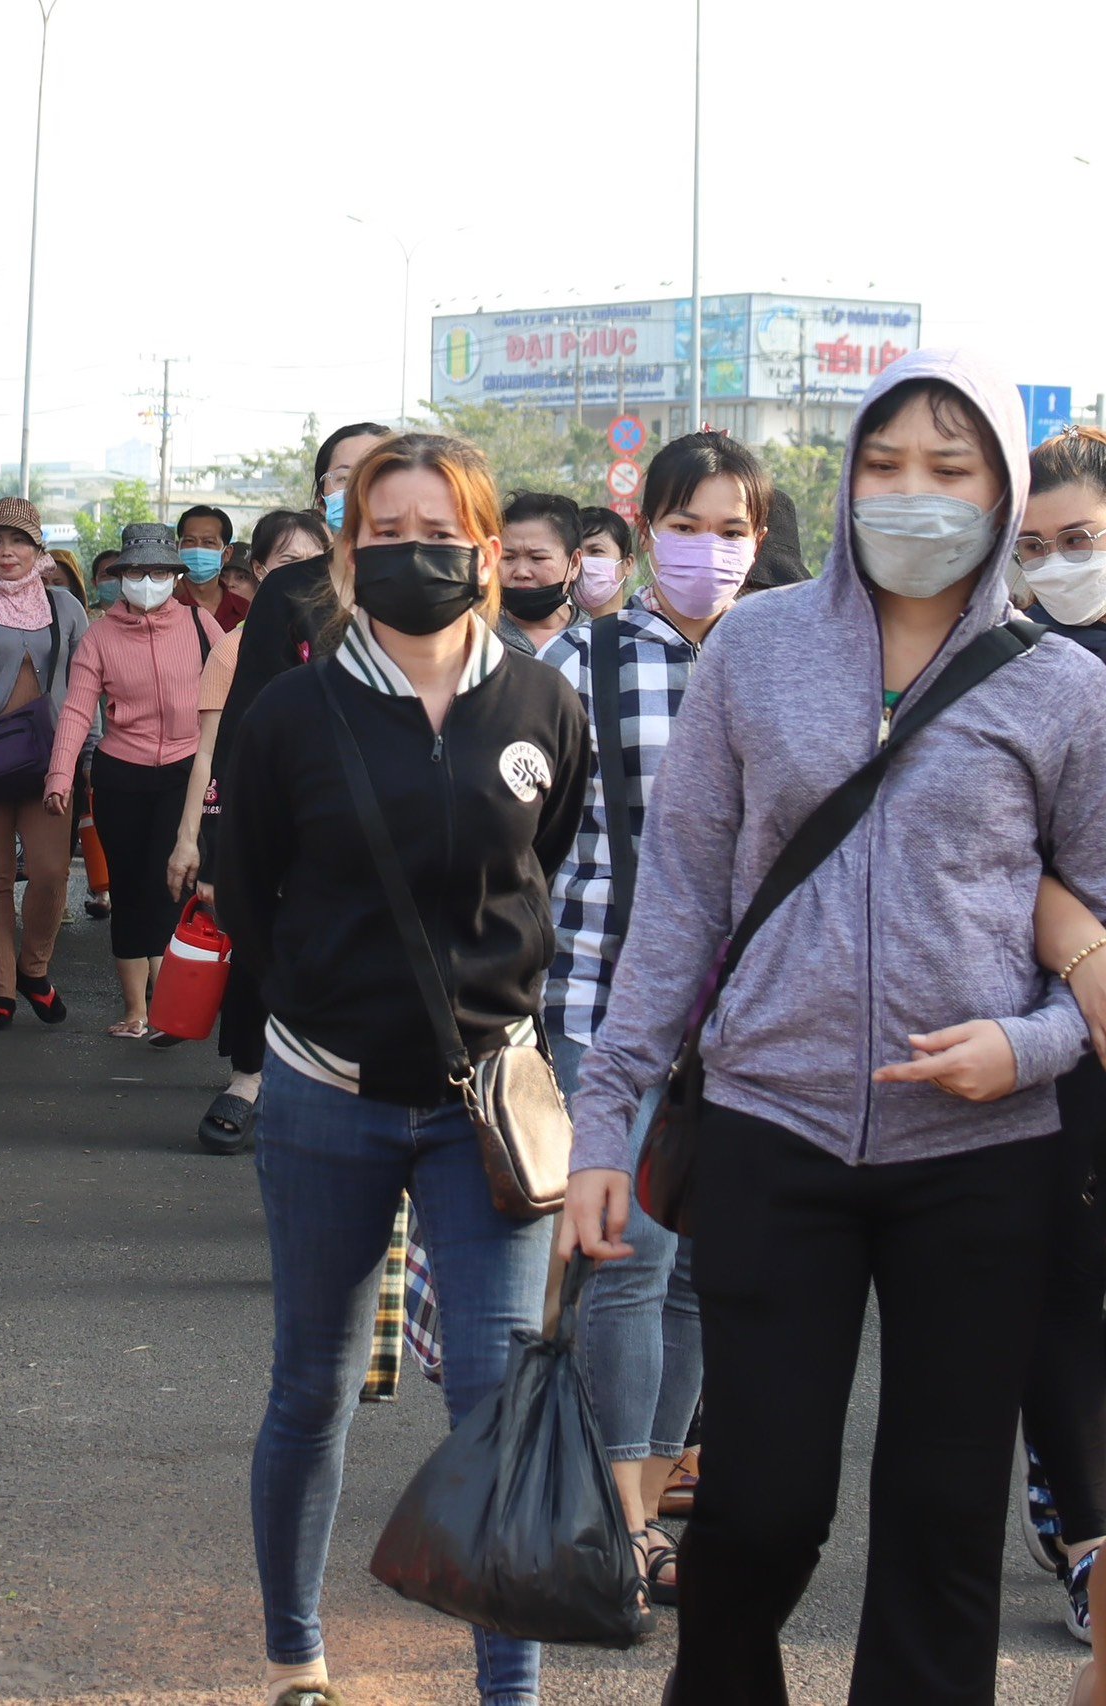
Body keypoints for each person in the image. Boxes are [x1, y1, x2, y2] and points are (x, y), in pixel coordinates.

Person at [562, 352, 1106, 1705]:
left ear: (1001, 491)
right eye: (885, 464)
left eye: (950, 467)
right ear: (845, 477)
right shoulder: (758, 646)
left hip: (982, 1148)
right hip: (770, 1126)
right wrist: (602, 1122)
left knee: (941, 1515)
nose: (912, 494)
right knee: (762, 1502)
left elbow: (1094, 920)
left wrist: (1025, 1049)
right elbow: (682, 889)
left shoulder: (1063, 690)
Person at [220, 433, 588, 1706]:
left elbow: (549, 869)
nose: (409, 550)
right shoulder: (291, 710)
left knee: (494, 1405)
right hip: (325, 1097)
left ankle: (509, 1688)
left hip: (488, 1111)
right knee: (312, 1387)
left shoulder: (544, 704)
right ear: (347, 550)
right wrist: (315, 1016)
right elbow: (246, 888)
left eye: (437, 528)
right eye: (381, 531)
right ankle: (294, 1652)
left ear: (486, 552)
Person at [545, 431, 770, 1608]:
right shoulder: (578, 660)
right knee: (628, 1260)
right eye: (686, 526)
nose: (707, 550)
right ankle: (621, 1523)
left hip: (747, 1017)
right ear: (645, 535)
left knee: (693, 1272)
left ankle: (642, 1487)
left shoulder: (789, 660)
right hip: (603, 994)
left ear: (761, 541)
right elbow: (530, 840)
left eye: (730, 529)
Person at [1010, 426, 1106, 1643]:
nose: (1056, 564)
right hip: (1047, 1023)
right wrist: (1086, 964)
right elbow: (996, 846)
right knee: (1060, 1284)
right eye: (1034, 546)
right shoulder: (1003, 658)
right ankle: (1086, 1536)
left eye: (1080, 540)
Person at [169, 508, 333, 1154]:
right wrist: (202, 844)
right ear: (259, 569)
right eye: (285, 565)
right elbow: (217, 749)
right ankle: (248, 1079)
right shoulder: (239, 648)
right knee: (258, 950)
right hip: (272, 815)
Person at [47, 524, 219, 1037]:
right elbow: (78, 710)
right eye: (138, 572)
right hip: (121, 773)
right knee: (127, 888)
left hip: (187, 772)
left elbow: (230, 695)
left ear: (174, 576)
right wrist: (60, 774)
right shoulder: (100, 635)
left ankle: (167, 1008)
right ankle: (135, 1011)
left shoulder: (200, 624)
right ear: (121, 577)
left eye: (160, 572)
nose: (149, 581)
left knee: (168, 882)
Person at [0, 497, 90, 1030]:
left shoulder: (66, 607)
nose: (6, 551)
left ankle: (34, 970)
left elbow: (86, 685)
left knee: (52, 873)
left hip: (51, 758)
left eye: (18, 541)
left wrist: (89, 750)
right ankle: (1, 992)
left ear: (39, 547)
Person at [229, 422, 394, 716]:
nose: (359, 488)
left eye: (377, 474)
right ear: (321, 499)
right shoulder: (285, 590)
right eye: (344, 477)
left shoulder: (426, 585)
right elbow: (250, 714)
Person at [494, 489, 582, 657]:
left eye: (537, 558)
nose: (521, 572)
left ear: (575, 563)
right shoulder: (475, 640)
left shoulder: (601, 642)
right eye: (508, 557)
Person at [176, 503, 250, 631]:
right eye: (189, 541)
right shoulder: (164, 605)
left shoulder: (246, 611)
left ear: (227, 553)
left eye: (209, 542)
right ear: (178, 548)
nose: (198, 549)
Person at [574, 505, 634, 617]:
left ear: (627, 564)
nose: (582, 561)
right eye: (575, 554)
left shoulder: (644, 629)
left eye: (596, 550)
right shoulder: (555, 632)